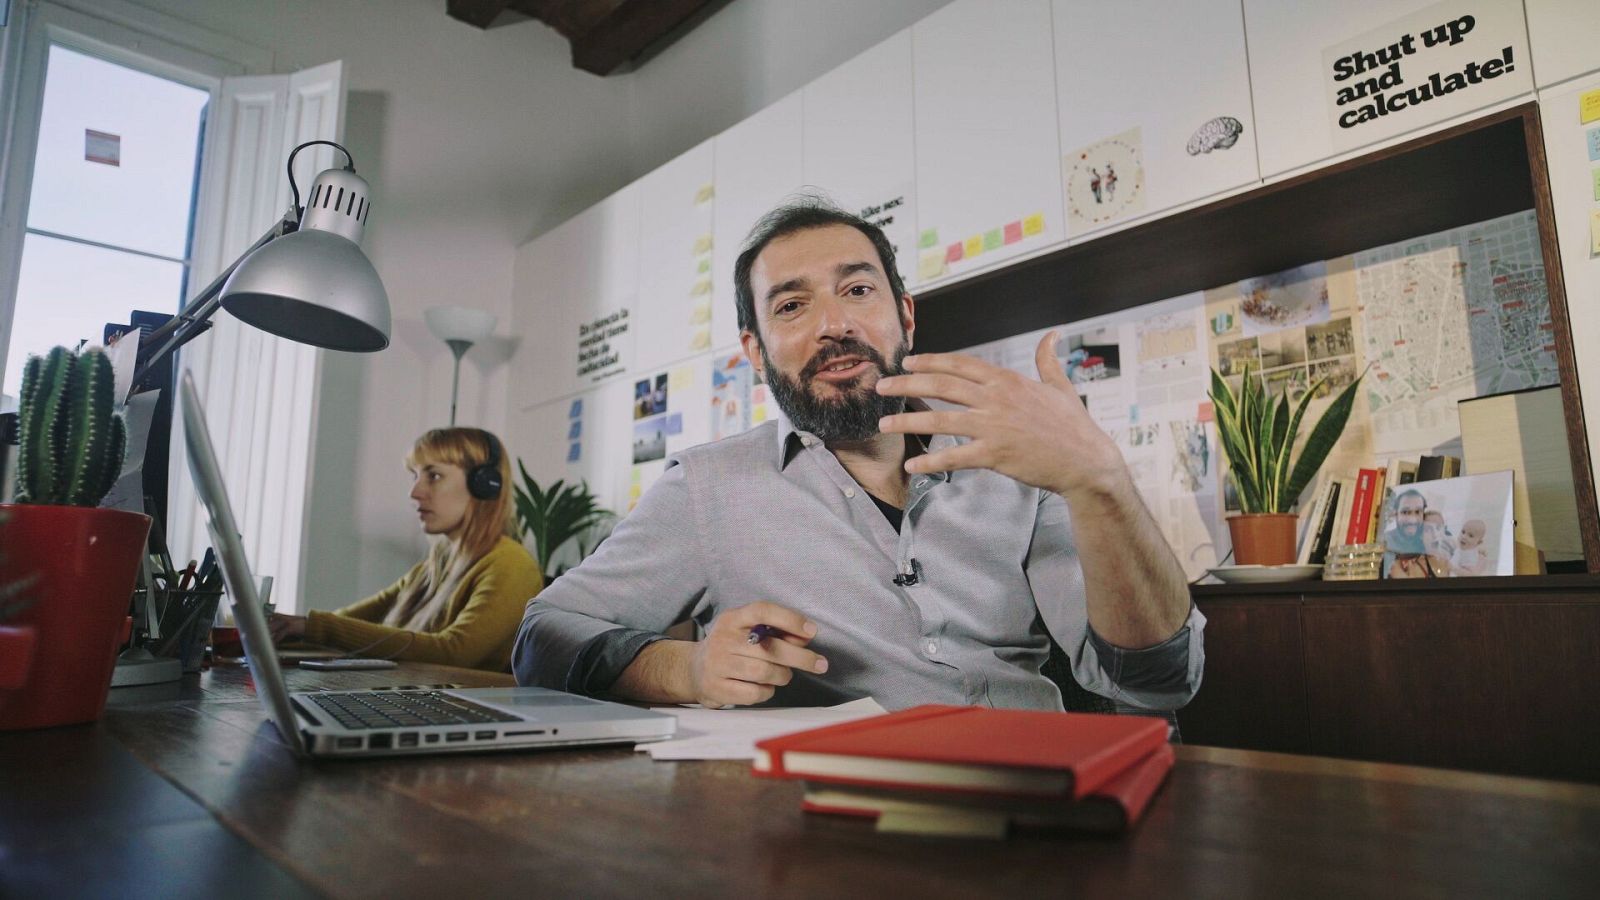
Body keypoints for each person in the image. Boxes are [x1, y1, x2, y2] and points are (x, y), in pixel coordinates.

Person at [512, 199, 1202, 712]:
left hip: (1039, 799)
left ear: (904, 315)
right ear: (755, 352)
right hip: (831, 823)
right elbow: (543, 635)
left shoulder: (1021, 466)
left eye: (857, 290)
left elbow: (1157, 682)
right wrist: (684, 670)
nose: (834, 324)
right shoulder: (705, 487)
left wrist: (1102, 482)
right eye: (790, 306)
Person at [269, 428, 543, 671]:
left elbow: (453, 651)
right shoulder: (435, 567)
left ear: (484, 485)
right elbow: (348, 620)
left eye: (434, 476)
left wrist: (312, 627)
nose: (415, 492)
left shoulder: (511, 564)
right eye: (415, 476)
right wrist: (289, 628)